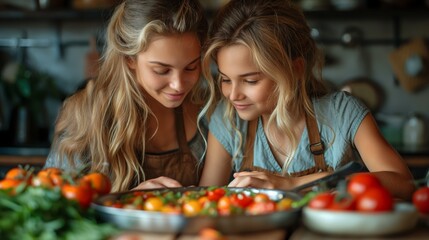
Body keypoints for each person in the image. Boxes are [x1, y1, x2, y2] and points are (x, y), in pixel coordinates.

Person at [199, 0, 415, 200]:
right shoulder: (228, 120)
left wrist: (294, 184)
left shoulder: (342, 112)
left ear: (295, 70)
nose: (233, 94)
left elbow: (403, 182)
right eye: (225, 79)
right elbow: (204, 201)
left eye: (250, 80)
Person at [44, 0, 209, 192]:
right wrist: (129, 200)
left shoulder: (205, 113)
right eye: (161, 70)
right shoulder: (84, 115)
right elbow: (53, 203)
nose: (178, 84)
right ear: (129, 59)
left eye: (191, 67)